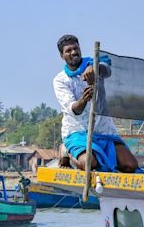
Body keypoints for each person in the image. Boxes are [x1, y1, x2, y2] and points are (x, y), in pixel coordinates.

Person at [53, 34, 138, 173]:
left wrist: (93, 66)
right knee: (89, 163)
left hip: (103, 129)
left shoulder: (94, 63)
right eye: (68, 50)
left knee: (130, 165)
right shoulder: (60, 80)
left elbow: (107, 67)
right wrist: (84, 99)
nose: (73, 52)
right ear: (62, 56)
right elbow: (75, 110)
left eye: (75, 48)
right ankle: (66, 150)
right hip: (77, 132)